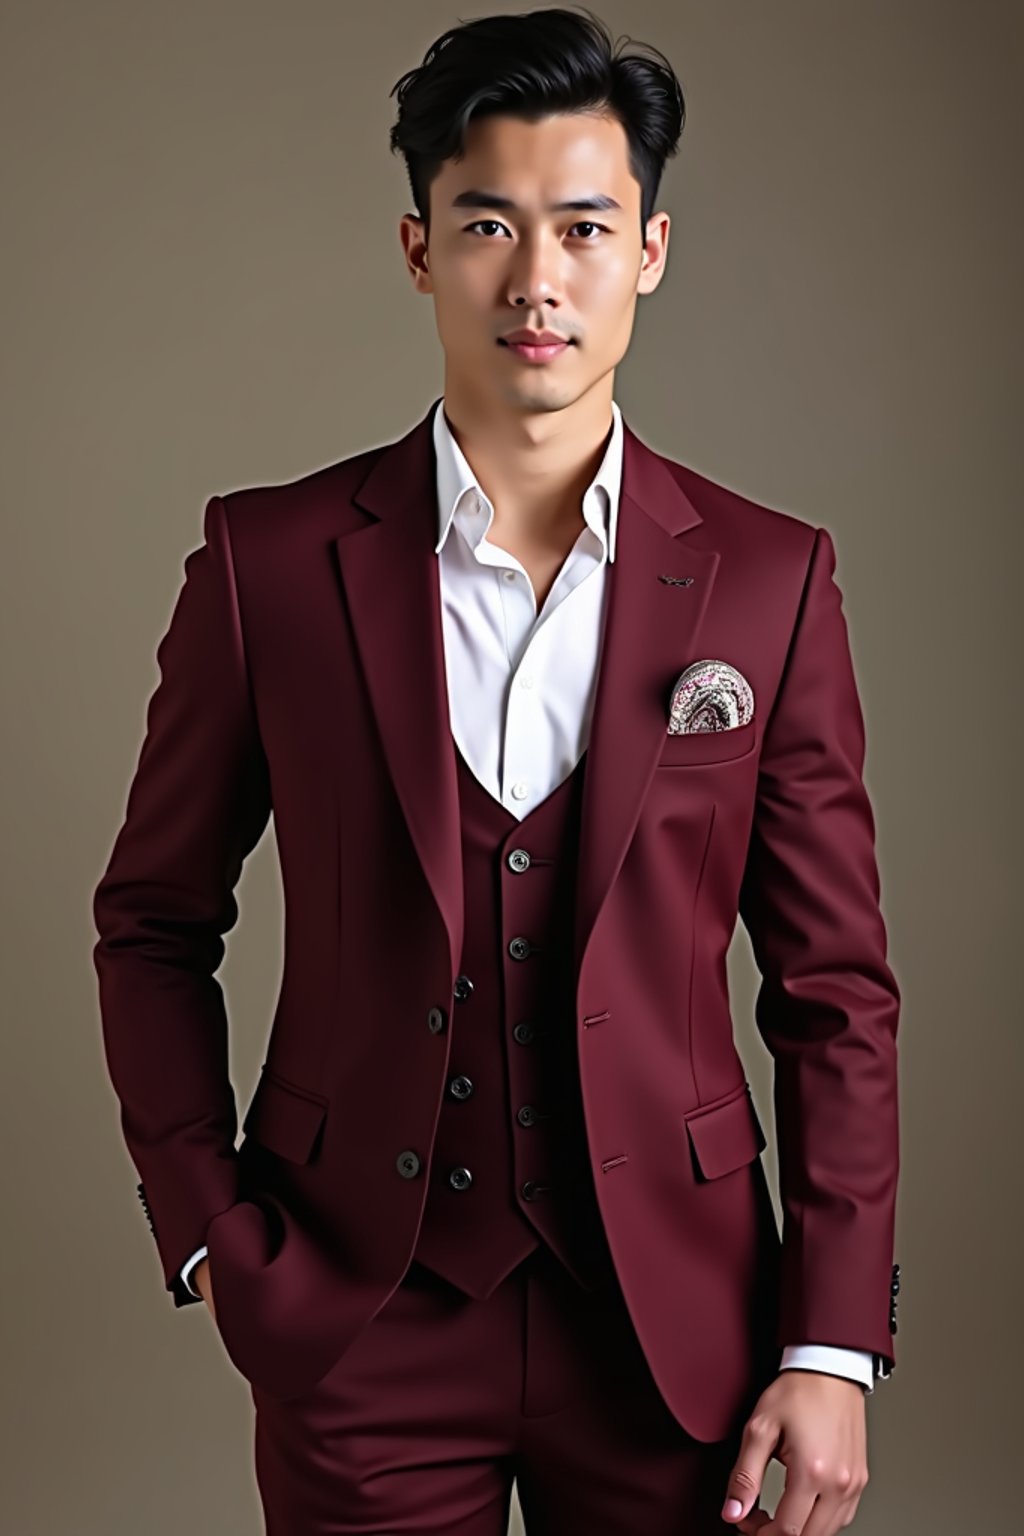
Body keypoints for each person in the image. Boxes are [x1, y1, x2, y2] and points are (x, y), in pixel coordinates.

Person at [92, 8, 901, 1533]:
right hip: (357, 1314)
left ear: (648, 252)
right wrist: (210, 1233)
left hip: (682, 1329)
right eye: (488, 226)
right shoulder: (268, 565)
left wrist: (834, 1339)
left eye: (585, 228)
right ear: (419, 252)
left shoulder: (769, 581)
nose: (538, 280)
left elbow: (836, 986)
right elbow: (148, 922)